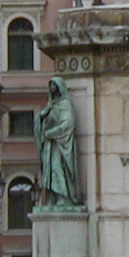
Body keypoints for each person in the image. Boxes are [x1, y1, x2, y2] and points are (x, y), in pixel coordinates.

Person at [36, 76, 81, 206]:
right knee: (49, 172)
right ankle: (52, 198)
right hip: (49, 145)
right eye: (50, 85)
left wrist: (51, 133)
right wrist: (41, 117)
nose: (51, 88)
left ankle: (64, 197)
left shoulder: (66, 104)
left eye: (54, 85)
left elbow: (68, 124)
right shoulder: (51, 105)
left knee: (57, 168)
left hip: (59, 144)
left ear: (59, 87)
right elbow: (42, 122)